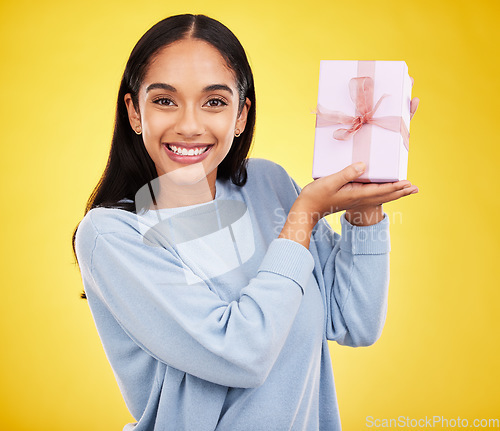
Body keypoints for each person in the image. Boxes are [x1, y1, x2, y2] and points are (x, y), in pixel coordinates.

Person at [73, 14, 419, 431]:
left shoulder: (268, 185)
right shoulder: (112, 234)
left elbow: (354, 321)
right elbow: (241, 355)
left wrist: (366, 200)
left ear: (240, 116)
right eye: (165, 100)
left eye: (214, 102)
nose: (189, 125)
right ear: (134, 112)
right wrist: (303, 217)